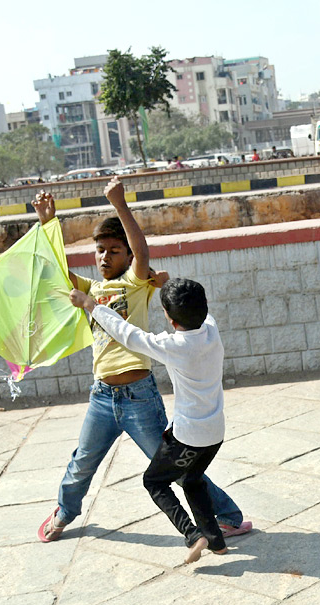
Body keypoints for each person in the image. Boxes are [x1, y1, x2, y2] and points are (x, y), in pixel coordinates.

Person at [33, 177, 251, 544]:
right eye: (99, 250)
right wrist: (46, 224)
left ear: (128, 257)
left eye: (114, 250)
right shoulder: (92, 288)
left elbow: (142, 253)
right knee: (82, 461)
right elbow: (57, 273)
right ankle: (65, 511)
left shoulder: (134, 282)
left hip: (139, 398)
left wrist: (120, 204)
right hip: (101, 397)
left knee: (179, 469)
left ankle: (228, 515)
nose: (105, 257)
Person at [69, 278, 229, 565]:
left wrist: (91, 305)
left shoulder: (173, 345)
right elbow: (201, 312)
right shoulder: (212, 332)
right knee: (192, 480)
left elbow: (129, 335)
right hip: (215, 433)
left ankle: (193, 535)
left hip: (188, 437)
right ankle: (216, 541)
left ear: (169, 317)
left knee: (154, 481)